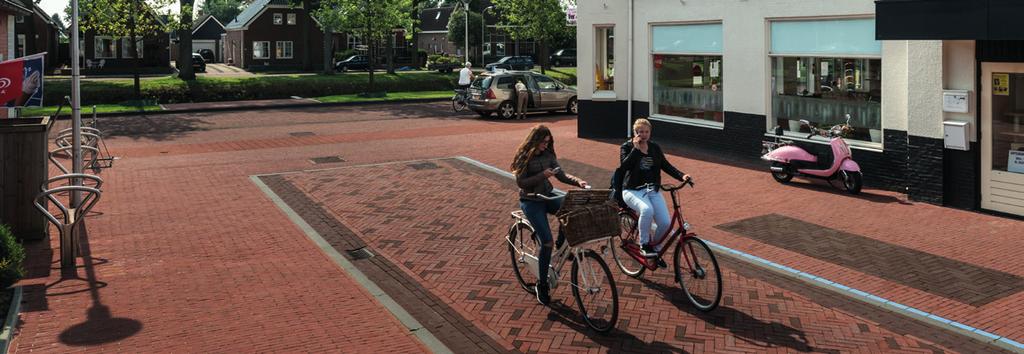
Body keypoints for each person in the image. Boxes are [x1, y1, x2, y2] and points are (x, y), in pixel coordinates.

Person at [512, 124, 589, 305]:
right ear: (535, 140)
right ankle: (542, 284)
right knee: (546, 242)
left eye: (548, 142)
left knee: (570, 206)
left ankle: (563, 243)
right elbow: (521, 182)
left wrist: (579, 182)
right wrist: (542, 175)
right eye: (543, 142)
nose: (546, 145)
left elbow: (561, 175)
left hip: (547, 195)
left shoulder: (548, 154)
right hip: (531, 200)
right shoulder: (524, 156)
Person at [617, 118, 690, 264]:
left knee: (665, 223)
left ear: (650, 132)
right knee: (647, 210)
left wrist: (682, 175)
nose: (643, 135)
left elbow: (665, 165)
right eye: (640, 132)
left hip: (652, 190)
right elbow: (624, 167)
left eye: (646, 131)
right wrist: (635, 150)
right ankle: (644, 244)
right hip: (632, 190)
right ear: (635, 133)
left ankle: (655, 249)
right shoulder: (626, 147)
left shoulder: (655, 148)